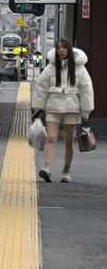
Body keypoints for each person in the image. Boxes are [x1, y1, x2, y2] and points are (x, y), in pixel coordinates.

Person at [35, 38, 93, 183]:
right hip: (53, 107)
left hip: (72, 109)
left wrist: (86, 111)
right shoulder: (51, 67)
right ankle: (47, 169)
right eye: (59, 48)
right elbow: (41, 85)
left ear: (69, 50)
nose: (61, 50)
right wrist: (39, 106)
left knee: (68, 142)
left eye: (64, 48)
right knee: (51, 138)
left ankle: (66, 171)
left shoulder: (80, 68)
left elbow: (86, 89)